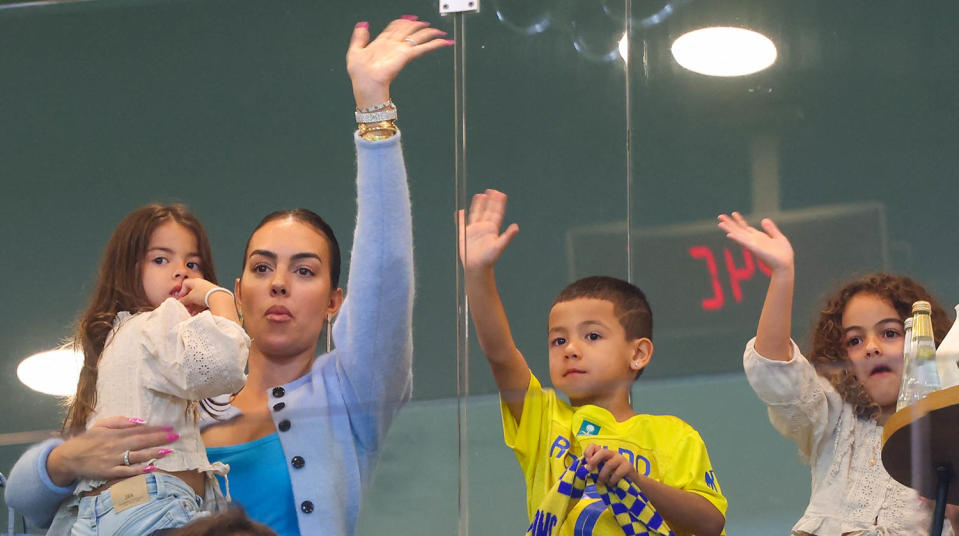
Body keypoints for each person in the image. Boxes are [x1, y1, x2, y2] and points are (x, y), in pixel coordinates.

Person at [5, 16, 451, 536]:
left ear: (335, 302)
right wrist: (64, 462)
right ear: (234, 294)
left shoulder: (349, 394)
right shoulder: (180, 382)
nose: (279, 282)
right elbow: (25, 499)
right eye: (262, 267)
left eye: (304, 271)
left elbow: (386, 277)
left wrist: (374, 111)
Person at [459, 189, 727, 536]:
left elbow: (710, 522)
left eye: (592, 336)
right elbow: (500, 354)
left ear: (638, 353)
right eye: (558, 340)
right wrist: (479, 274)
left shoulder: (674, 436)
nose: (570, 349)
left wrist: (633, 479)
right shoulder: (544, 420)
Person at [717, 211, 958, 535]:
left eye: (889, 333)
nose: (871, 347)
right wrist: (782, 274)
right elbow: (776, 375)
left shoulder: (948, 435)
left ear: (927, 340)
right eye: (855, 340)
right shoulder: (832, 417)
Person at [55, 203, 248, 535]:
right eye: (161, 259)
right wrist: (220, 298)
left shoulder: (118, 339)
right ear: (129, 270)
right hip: (152, 510)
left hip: (104, 516)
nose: (181, 272)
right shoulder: (157, 323)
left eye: (193, 264)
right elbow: (226, 363)